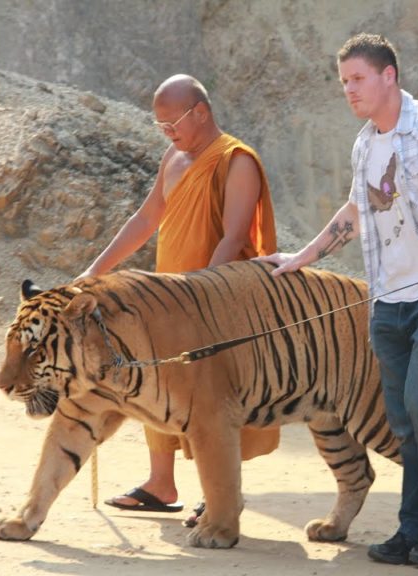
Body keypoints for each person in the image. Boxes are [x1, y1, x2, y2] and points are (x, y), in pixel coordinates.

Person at [259, 33, 418, 567]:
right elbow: (355, 211)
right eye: (344, 82)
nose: (349, 90)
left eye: (357, 79)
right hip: (388, 300)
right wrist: (303, 256)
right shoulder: (366, 143)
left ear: (389, 76)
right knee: (404, 421)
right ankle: (414, 527)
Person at [77, 74, 281, 522]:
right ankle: (160, 483)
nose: (167, 132)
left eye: (173, 122)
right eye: (160, 125)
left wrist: (199, 295)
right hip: (167, 298)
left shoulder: (236, 160)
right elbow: (147, 217)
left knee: (217, 397)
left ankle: (219, 491)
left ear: (201, 112)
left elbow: (233, 238)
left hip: (215, 300)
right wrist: (95, 271)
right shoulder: (174, 156)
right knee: (159, 384)